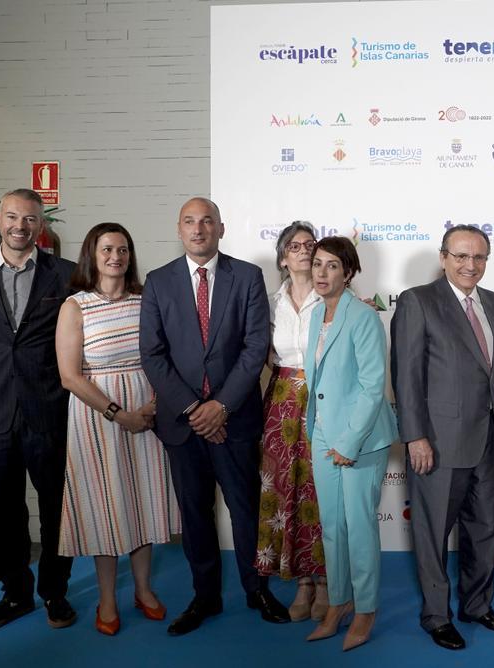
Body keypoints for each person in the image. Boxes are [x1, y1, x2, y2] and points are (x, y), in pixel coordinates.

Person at [139, 197, 289, 635]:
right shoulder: (159, 281)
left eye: (207, 221)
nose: (199, 229)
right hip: (182, 426)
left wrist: (220, 406)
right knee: (195, 513)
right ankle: (205, 597)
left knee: (245, 510)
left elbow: (254, 346)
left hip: (235, 419)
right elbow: (153, 353)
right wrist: (193, 409)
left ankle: (257, 590)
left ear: (221, 228)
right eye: (190, 221)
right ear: (179, 229)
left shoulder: (247, 276)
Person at [0, 188, 77, 633]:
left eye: (29, 219)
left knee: (56, 507)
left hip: (48, 410)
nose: (20, 226)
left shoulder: (66, 275)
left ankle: (55, 593)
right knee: (3, 510)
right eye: (12, 217)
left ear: (41, 227)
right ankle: (15, 595)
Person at [391, 225, 494, 650]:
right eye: (461, 256)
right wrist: (415, 436)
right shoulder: (418, 301)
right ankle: (436, 615)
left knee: (485, 531)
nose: (470, 265)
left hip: (489, 442)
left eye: (479, 257)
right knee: (432, 534)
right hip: (438, 443)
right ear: (444, 257)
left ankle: (477, 605)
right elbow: (406, 377)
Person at [55, 223, 179, 636]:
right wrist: (117, 412)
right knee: (104, 505)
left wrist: (154, 405)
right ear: (92, 254)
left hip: (146, 412)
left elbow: (164, 356)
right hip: (96, 416)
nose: (116, 256)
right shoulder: (76, 305)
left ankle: (143, 589)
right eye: (107, 248)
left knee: (142, 499)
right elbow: (70, 376)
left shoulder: (146, 300)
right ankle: (108, 598)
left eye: (123, 249)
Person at [301, 237, 398, 651]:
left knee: (358, 529)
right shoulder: (315, 316)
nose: (321, 274)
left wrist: (349, 441)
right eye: (317, 265)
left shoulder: (363, 317)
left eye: (332, 267)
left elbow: (373, 385)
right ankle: (338, 603)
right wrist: (321, 434)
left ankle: (366, 610)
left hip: (360, 439)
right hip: (323, 433)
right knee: (333, 529)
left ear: (349, 272)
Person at [254, 222, 328, 622]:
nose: (303, 251)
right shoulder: (268, 303)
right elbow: (263, 354)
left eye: (309, 245)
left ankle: (326, 580)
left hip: (325, 400)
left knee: (321, 491)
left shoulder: (333, 297)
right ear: (283, 258)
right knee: (287, 489)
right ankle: (301, 580)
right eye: (294, 246)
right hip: (282, 403)